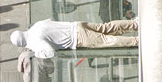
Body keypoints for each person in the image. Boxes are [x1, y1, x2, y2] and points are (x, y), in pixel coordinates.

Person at [10, 18, 138, 58]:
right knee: (106, 27)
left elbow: (50, 52)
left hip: (78, 39)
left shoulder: (35, 42)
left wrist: (37, 54)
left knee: (108, 41)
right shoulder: (36, 26)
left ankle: (136, 41)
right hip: (76, 25)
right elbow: (50, 20)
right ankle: (135, 24)